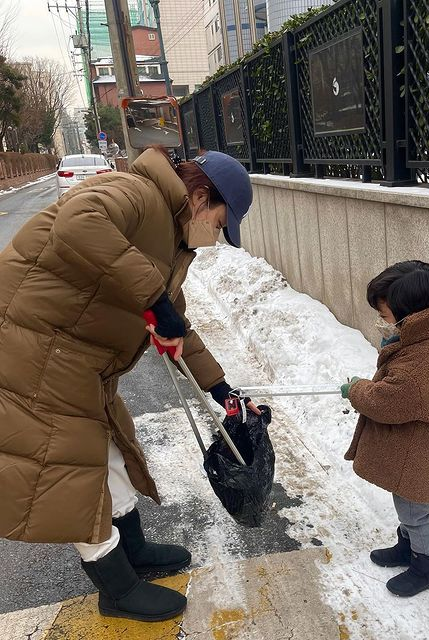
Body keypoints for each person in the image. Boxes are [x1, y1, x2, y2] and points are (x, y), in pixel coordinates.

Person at [0, 146, 260, 622]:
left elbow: (175, 319)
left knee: (112, 450)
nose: (216, 237)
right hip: (31, 352)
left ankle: (133, 549)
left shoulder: (171, 238)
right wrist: (154, 301)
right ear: (200, 197)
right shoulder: (137, 193)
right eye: (221, 224)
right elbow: (78, 222)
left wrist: (223, 392)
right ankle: (116, 589)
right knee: (75, 471)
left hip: (75, 361)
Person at [341, 261, 429, 597]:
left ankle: (427, 565)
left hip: (424, 451)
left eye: (386, 314)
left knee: (414, 511)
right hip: (421, 443)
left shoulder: (419, 363)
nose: (383, 321)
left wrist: (356, 389)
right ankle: (407, 547)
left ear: (412, 315)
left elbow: (387, 402)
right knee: (407, 503)